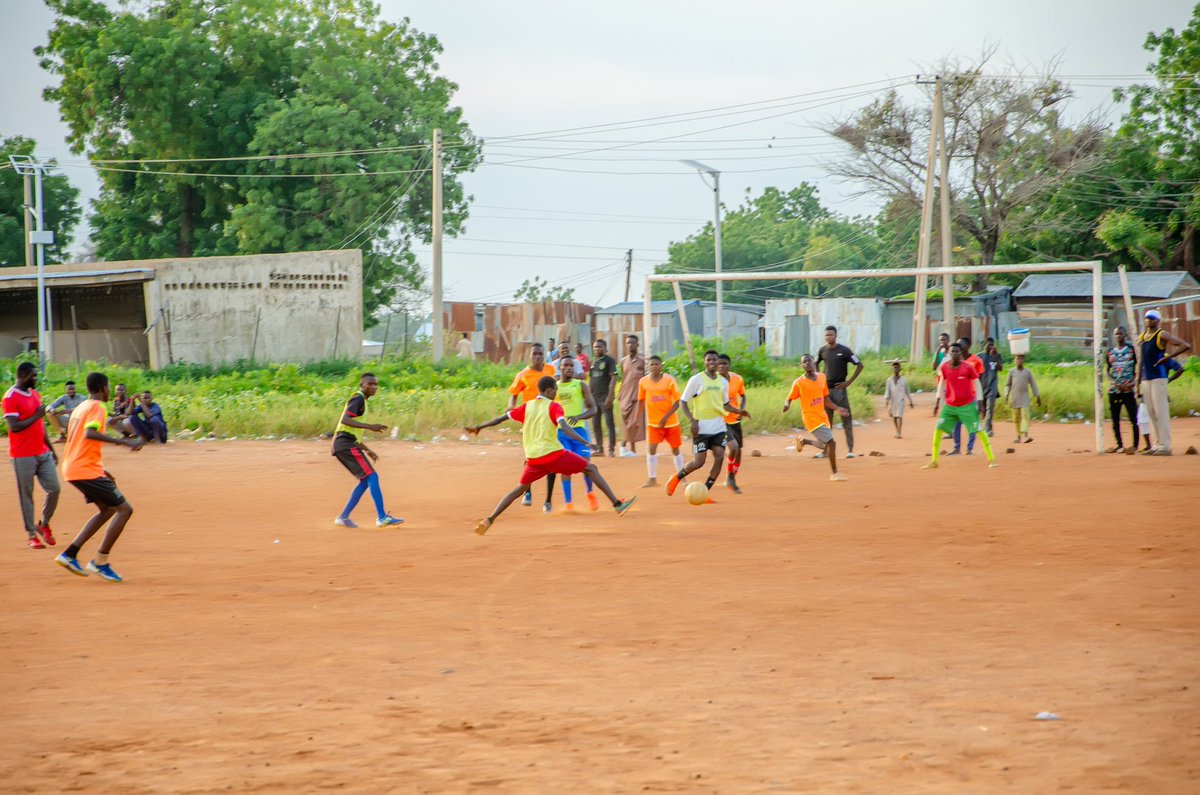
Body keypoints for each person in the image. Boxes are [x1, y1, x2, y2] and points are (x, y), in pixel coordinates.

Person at [466, 376, 637, 535]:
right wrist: (584, 442)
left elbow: (500, 419)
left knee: (519, 490)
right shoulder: (554, 406)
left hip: (533, 459)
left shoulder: (527, 406)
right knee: (591, 468)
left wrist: (479, 427)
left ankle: (489, 520)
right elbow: (565, 427)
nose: (556, 393)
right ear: (549, 390)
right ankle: (618, 504)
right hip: (553, 455)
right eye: (555, 390)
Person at [53, 371, 144, 582]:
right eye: (108, 387)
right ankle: (100, 562)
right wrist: (125, 442)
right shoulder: (98, 407)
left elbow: (80, 442)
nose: (110, 391)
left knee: (108, 510)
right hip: (84, 469)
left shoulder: (81, 407)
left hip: (75, 467)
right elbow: (90, 434)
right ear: (103, 388)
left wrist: (102, 469)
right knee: (125, 510)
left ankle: (70, 554)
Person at [662, 350, 751, 498]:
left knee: (719, 457)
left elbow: (725, 404)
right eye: (708, 360)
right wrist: (692, 421)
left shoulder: (723, 382)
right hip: (701, 427)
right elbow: (683, 402)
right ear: (704, 362)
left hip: (719, 427)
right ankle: (676, 478)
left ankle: (704, 491)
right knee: (699, 462)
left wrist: (739, 411)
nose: (712, 362)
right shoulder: (696, 380)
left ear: (717, 362)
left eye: (714, 360)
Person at [331, 373, 404, 528]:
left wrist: (367, 450)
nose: (373, 387)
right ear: (362, 385)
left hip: (345, 443)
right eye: (369, 384)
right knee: (372, 476)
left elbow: (353, 432)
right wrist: (371, 427)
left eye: (375, 384)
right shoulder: (358, 398)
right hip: (345, 444)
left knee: (365, 481)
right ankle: (382, 517)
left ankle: (343, 517)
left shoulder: (362, 401)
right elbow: (345, 420)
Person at [4, 362, 60, 549]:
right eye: (33, 376)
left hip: (42, 452)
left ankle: (44, 524)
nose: (36, 378)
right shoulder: (10, 397)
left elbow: (40, 426)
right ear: (23, 376)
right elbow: (14, 426)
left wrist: (51, 449)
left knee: (54, 489)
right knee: (26, 495)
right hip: (22, 455)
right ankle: (31, 535)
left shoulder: (35, 394)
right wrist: (36, 415)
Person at [926, 343, 997, 469]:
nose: (954, 354)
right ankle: (934, 461)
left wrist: (980, 402)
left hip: (967, 405)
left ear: (960, 354)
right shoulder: (944, 367)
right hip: (950, 405)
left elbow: (977, 384)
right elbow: (941, 384)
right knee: (938, 429)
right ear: (949, 354)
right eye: (952, 352)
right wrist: (937, 402)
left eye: (956, 352)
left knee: (979, 430)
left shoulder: (968, 367)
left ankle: (992, 459)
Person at [784, 354, 848, 481]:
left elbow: (826, 399)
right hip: (810, 417)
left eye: (809, 360)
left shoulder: (822, 377)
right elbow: (789, 398)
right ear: (802, 365)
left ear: (814, 362)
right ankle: (834, 473)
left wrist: (837, 408)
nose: (807, 363)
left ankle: (803, 441)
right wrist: (787, 404)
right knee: (831, 443)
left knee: (825, 445)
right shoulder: (799, 382)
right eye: (804, 362)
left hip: (822, 416)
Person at [1136, 309, 1192, 455]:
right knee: (1151, 412)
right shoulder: (1142, 337)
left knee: (1160, 412)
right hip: (1146, 378)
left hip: (1158, 377)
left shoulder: (1161, 335)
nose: (1149, 320)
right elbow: (1141, 361)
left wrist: (1167, 358)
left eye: (1152, 318)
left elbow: (1185, 345)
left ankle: (1165, 445)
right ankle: (1157, 444)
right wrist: (1137, 382)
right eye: (1147, 318)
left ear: (1157, 321)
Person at [508, 344, 558, 507]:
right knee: (530, 457)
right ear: (530, 356)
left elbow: (558, 387)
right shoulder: (522, 374)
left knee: (552, 456)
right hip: (531, 421)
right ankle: (527, 492)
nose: (537, 356)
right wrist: (511, 407)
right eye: (534, 354)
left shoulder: (551, 370)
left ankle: (548, 500)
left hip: (550, 418)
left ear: (544, 355)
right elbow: (514, 394)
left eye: (540, 353)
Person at [553, 356, 600, 512]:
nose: (569, 368)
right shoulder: (554, 387)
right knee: (565, 467)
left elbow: (593, 409)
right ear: (560, 368)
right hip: (561, 433)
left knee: (585, 464)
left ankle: (590, 493)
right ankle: (569, 503)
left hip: (579, 431)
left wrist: (579, 417)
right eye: (565, 365)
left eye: (571, 365)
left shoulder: (580, 385)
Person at [638, 355, 685, 488]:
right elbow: (641, 401)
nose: (654, 366)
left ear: (661, 366)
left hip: (671, 423)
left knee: (675, 449)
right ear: (648, 366)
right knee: (651, 449)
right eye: (651, 364)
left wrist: (665, 417)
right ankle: (652, 479)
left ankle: (682, 478)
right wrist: (637, 419)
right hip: (653, 423)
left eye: (656, 364)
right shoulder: (643, 381)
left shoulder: (669, 380)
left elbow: (678, 402)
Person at [816, 326, 862, 459]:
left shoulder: (844, 350)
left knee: (846, 419)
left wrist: (849, 382)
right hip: (826, 391)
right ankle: (825, 451)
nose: (828, 337)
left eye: (831, 335)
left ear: (836, 336)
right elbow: (815, 363)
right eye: (826, 335)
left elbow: (859, 365)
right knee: (826, 422)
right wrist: (820, 378)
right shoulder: (822, 350)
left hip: (840, 391)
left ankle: (850, 450)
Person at [1106, 326, 1139, 453]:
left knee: (1133, 418)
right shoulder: (1110, 352)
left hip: (1128, 390)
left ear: (1125, 335)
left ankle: (1135, 445)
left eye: (1120, 333)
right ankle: (1119, 445)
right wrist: (1113, 382)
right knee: (1115, 419)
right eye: (1116, 334)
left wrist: (1131, 383)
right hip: (1115, 390)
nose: (1118, 336)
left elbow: (1138, 369)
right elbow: (1107, 371)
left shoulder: (1131, 350)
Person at [717, 353, 747, 493]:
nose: (721, 366)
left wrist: (742, 409)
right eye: (719, 364)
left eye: (724, 363)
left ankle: (732, 476)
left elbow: (743, 395)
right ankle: (730, 477)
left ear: (729, 365)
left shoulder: (737, 379)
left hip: (734, 419)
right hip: (721, 420)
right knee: (733, 448)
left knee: (738, 450)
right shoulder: (714, 381)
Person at [949, 337, 985, 455]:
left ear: (968, 346)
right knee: (956, 423)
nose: (959, 346)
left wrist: (980, 400)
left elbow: (980, 381)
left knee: (972, 423)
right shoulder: (954, 362)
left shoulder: (976, 361)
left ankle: (970, 448)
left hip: (971, 397)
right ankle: (956, 447)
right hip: (957, 398)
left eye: (961, 344)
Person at [618, 334, 646, 457]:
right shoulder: (623, 361)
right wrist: (620, 393)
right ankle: (629, 449)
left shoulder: (643, 361)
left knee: (634, 422)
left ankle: (625, 446)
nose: (630, 345)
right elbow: (624, 378)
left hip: (637, 395)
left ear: (637, 344)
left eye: (632, 343)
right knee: (626, 422)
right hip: (625, 394)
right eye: (628, 343)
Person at [589, 339, 618, 457]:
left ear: (605, 348)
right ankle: (600, 448)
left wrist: (610, 396)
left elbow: (614, 378)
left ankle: (611, 449)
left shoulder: (609, 361)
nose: (597, 349)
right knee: (595, 424)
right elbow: (591, 379)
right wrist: (589, 396)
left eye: (599, 347)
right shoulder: (593, 362)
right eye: (595, 347)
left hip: (605, 397)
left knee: (609, 423)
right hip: (594, 398)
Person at [1004, 353, 1041, 444]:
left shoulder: (1027, 372)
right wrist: (1006, 396)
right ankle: (1018, 437)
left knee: (1025, 416)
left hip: (1025, 397)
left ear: (1024, 360)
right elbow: (1007, 385)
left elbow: (1033, 384)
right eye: (1017, 359)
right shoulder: (1011, 372)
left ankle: (1025, 435)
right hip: (1015, 398)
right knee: (1016, 418)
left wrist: (1037, 396)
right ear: (1014, 360)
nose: (1019, 360)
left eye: (1021, 359)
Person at [978, 337, 1004, 436]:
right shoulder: (979, 356)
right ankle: (985, 426)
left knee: (990, 408)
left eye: (992, 345)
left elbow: (1000, 368)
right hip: (981, 386)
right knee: (983, 409)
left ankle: (988, 429)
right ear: (984, 345)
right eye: (989, 345)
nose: (991, 347)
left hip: (992, 386)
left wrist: (995, 357)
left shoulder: (997, 355)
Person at [884, 360, 915, 438]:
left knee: (899, 416)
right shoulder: (889, 380)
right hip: (893, 401)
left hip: (901, 400)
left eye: (897, 367)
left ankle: (899, 432)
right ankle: (897, 431)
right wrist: (887, 401)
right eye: (894, 367)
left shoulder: (903, 380)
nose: (896, 369)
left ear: (900, 369)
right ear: (892, 369)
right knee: (894, 416)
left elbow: (907, 391)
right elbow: (887, 391)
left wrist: (910, 401)